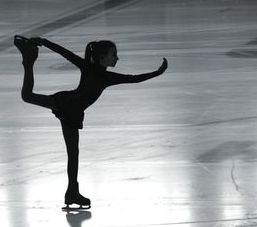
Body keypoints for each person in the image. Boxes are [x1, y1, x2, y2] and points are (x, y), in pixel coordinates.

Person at [14, 35, 168, 209]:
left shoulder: (107, 77)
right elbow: (65, 53)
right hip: (67, 103)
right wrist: (43, 41)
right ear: (103, 57)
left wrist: (158, 72)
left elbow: (133, 78)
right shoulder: (89, 68)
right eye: (113, 54)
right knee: (27, 97)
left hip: (72, 111)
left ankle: (72, 191)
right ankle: (28, 59)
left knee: (73, 154)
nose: (117, 58)